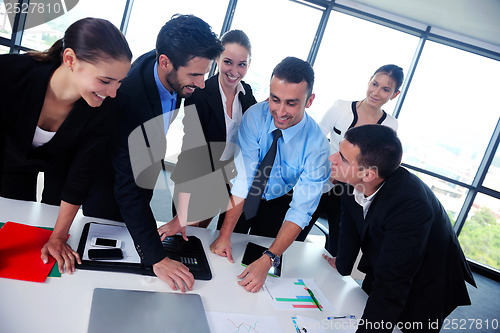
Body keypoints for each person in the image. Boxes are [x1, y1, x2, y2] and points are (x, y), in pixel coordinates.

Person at [83, 14, 223, 292]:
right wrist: (157, 257)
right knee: (109, 276)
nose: (202, 83)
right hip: (108, 189)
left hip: (141, 175)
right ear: (165, 62)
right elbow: (127, 189)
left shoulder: (167, 66)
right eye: (195, 75)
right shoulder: (131, 99)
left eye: (204, 73)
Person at [0, 18, 132, 275]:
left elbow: (82, 171)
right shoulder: (8, 74)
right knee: (12, 226)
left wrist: (58, 237)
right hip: (8, 159)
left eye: (120, 82)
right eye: (105, 81)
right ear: (70, 59)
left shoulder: (108, 105)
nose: (113, 92)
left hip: (61, 167)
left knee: (46, 229)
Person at [323, 124, 476, 332]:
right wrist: (342, 263)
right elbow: (349, 221)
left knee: (404, 323)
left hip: (430, 279)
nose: (333, 159)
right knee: (367, 303)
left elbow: (391, 285)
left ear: (368, 174)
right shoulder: (352, 180)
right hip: (387, 260)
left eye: (342, 157)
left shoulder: (411, 206)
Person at [210, 57, 330, 293]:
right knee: (222, 253)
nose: (280, 111)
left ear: (310, 101)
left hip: (279, 201)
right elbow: (244, 179)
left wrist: (269, 259)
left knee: (260, 264)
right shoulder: (256, 116)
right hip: (244, 194)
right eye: (275, 99)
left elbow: (301, 209)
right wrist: (224, 235)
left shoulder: (317, 147)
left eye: (291, 103)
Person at [159, 29, 257, 240]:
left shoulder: (246, 93)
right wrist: (183, 213)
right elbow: (191, 153)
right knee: (184, 238)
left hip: (227, 181)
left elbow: (256, 126)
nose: (234, 71)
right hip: (197, 181)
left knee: (206, 241)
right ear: (217, 60)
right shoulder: (200, 95)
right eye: (228, 62)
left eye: (242, 64)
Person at [299, 64, 404, 255]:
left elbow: (378, 162)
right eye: (374, 84)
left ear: (394, 95)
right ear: (369, 80)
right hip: (321, 181)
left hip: (352, 191)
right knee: (297, 232)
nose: (376, 92)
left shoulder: (390, 125)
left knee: (338, 248)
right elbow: (316, 140)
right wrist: (326, 171)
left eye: (385, 89)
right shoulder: (341, 108)